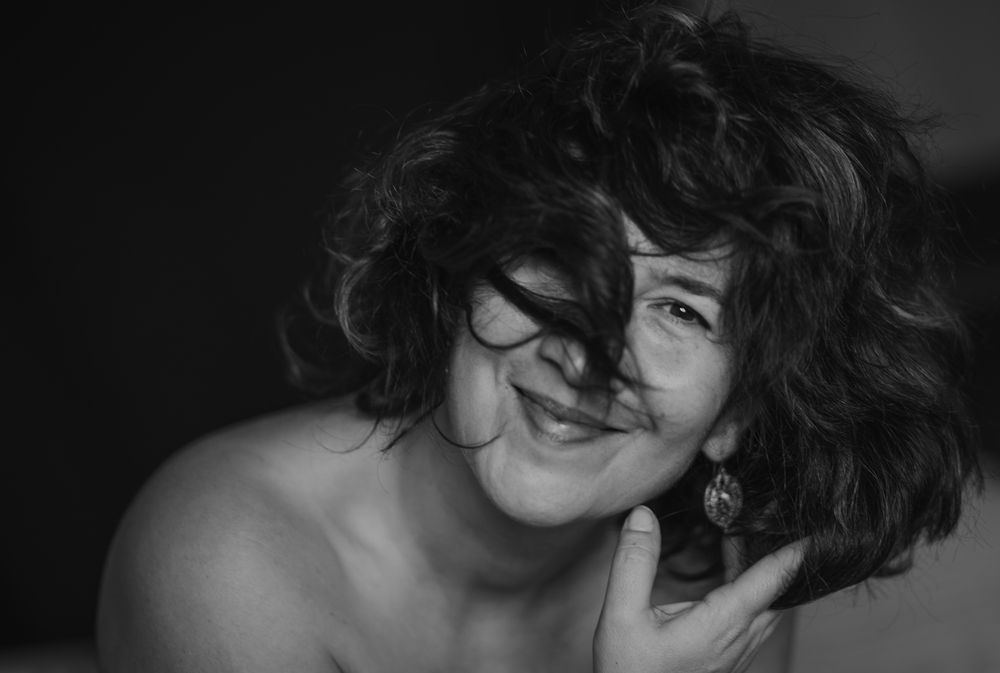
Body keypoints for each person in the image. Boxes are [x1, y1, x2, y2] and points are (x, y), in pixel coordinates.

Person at [96, 4, 980, 672]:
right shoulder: (225, 559)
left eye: (682, 309)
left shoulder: (714, 593)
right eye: (563, 255)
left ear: (736, 414)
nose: (588, 356)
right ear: (458, 265)